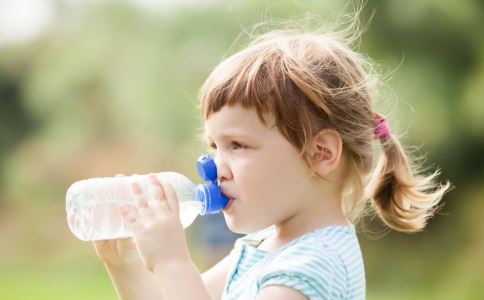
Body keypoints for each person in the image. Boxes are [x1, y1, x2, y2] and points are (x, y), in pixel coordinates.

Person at [92, 20, 451, 300]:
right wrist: (126, 265)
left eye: (238, 145)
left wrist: (172, 262)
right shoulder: (262, 247)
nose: (215, 166)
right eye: (214, 146)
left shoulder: (314, 267)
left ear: (321, 154)